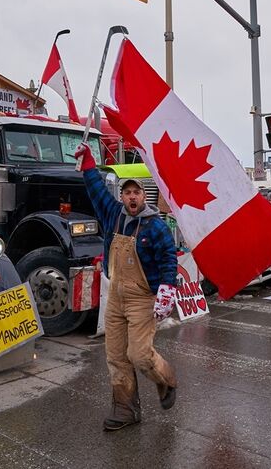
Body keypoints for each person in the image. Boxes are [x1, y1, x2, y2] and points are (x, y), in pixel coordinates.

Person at [74, 142, 179, 431]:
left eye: (137, 192)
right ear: (122, 196)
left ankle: (166, 379)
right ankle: (125, 408)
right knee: (116, 356)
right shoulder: (114, 215)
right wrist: (87, 163)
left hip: (142, 300)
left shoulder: (155, 226)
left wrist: (166, 290)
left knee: (140, 355)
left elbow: (169, 258)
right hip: (116, 298)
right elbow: (96, 190)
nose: (132, 197)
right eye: (128, 192)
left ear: (144, 196)